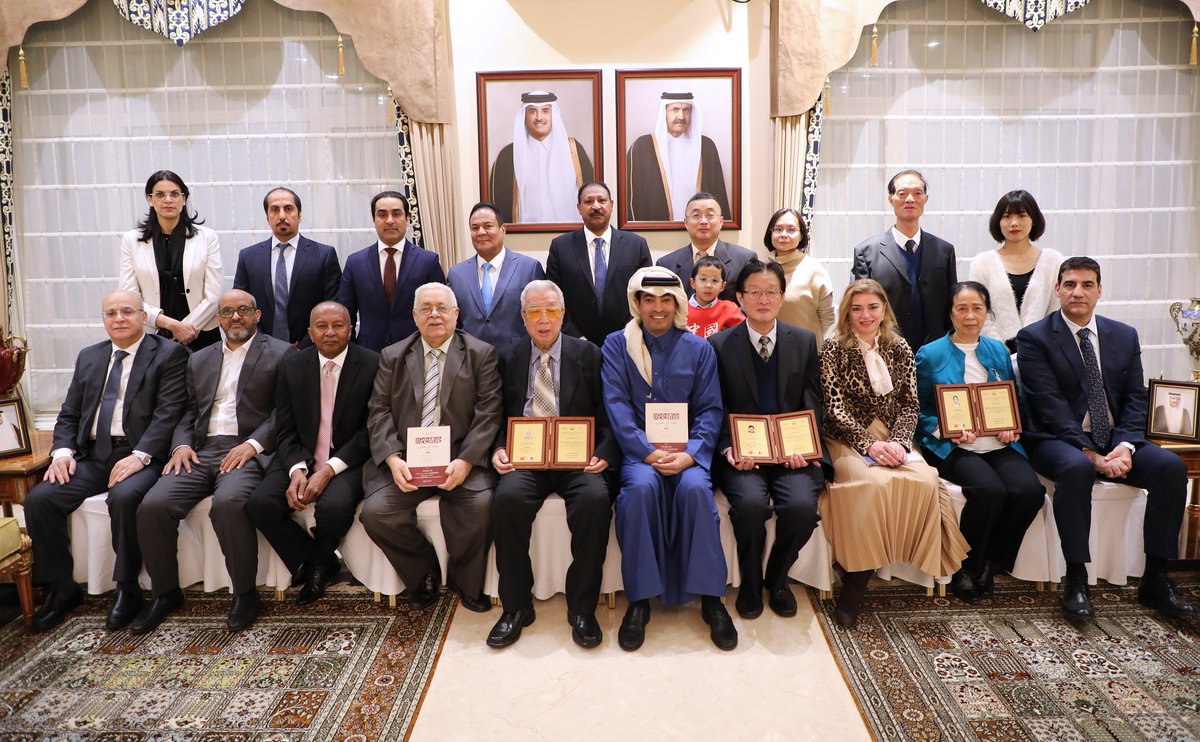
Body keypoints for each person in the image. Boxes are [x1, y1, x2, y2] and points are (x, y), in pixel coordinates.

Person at [1016, 257, 1196, 621]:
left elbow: (1135, 397)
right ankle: (1078, 578)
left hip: (1115, 438)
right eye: (1069, 284)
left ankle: (1155, 578)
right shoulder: (1034, 337)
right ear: (1057, 290)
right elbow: (1049, 405)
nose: (1077, 292)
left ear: (1100, 289)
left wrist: (1125, 446)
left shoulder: (1123, 335)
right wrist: (1090, 453)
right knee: (1078, 468)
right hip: (1057, 439)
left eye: (1086, 284)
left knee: (1171, 469)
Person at [24, 290, 188, 632]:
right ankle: (61, 587)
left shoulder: (169, 354)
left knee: (125, 497)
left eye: (127, 311)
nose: (119, 318)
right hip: (92, 455)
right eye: (110, 313)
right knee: (40, 499)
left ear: (144, 317)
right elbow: (69, 414)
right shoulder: (89, 357)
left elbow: (169, 413)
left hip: (140, 453)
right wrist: (63, 453)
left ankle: (127, 588)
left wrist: (139, 456)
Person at [133, 290, 294, 634]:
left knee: (229, 503)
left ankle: (245, 594)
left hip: (246, 449)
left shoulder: (281, 354)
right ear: (217, 319)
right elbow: (189, 411)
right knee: (153, 505)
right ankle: (164, 593)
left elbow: (285, 412)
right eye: (227, 312)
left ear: (257, 314)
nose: (235, 317)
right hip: (200, 450)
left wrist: (252, 445)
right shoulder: (199, 358)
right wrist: (180, 446)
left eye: (243, 310)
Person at [819, 279, 969, 628]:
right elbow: (835, 409)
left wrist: (900, 444)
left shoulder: (900, 347)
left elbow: (910, 405)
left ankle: (894, 558)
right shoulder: (832, 348)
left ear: (884, 309)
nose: (865, 315)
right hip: (847, 436)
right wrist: (869, 444)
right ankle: (856, 577)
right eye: (857, 308)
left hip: (892, 436)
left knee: (926, 478)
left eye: (872, 307)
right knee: (869, 483)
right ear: (847, 313)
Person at [601, 266, 735, 651]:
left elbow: (711, 411)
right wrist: (646, 451)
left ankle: (711, 600)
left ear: (677, 303)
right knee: (639, 493)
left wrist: (692, 455)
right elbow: (617, 406)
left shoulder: (699, 348)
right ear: (637, 303)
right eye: (648, 300)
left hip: (689, 456)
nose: (657, 308)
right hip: (640, 455)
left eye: (665, 300)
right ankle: (639, 602)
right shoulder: (616, 345)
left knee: (695, 493)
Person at [486, 281, 616, 649]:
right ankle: (516, 607)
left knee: (594, 501)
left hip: (577, 459)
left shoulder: (589, 354)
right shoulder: (508, 356)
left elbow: (608, 413)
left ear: (563, 314)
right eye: (534, 312)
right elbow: (496, 415)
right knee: (507, 501)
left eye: (552, 311)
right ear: (523, 317)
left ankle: (582, 608)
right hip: (525, 458)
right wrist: (498, 448)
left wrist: (604, 452)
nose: (544, 320)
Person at [362, 283, 502, 613]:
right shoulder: (393, 356)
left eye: (442, 307)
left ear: (456, 314)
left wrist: (467, 461)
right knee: (376, 513)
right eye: (426, 308)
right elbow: (378, 410)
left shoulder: (481, 353)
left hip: (459, 457)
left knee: (481, 504)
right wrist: (393, 459)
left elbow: (489, 411)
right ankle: (423, 572)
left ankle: (466, 583)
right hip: (408, 460)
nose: (434, 314)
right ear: (414, 316)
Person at [709, 259, 828, 620]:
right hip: (742, 455)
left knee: (802, 509)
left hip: (792, 453)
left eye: (771, 292)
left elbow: (813, 400)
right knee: (750, 507)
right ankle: (750, 581)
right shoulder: (717, 345)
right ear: (740, 297)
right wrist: (729, 447)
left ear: (782, 296)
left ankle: (777, 579)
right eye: (755, 292)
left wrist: (806, 447)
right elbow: (715, 405)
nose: (764, 299)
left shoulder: (804, 341)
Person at [915, 281, 1045, 603]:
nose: (970, 316)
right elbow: (917, 411)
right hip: (955, 447)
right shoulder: (929, 355)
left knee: (1030, 492)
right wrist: (946, 430)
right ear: (951, 313)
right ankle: (966, 567)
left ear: (986, 312)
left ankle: (992, 561)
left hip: (998, 444)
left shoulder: (998, 349)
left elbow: (1011, 399)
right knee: (990, 491)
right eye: (962, 308)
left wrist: (1011, 427)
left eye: (977, 308)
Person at [244, 302, 380, 605]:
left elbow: (370, 432)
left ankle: (317, 565)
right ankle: (315, 559)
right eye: (321, 326)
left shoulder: (372, 364)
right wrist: (297, 470)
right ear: (310, 332)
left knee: (333, 507)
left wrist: (328, 470)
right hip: (301, 455)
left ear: (350, 330)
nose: (330, 332)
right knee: (259, 504)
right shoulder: (293, 364)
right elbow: (285, 425)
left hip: (348, 459)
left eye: (338, 325)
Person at [851, 170, 957, 352]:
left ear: (926, 198)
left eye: (917, 193)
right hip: (885, 348)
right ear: (891, 199)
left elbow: (951, 304)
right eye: (902, 193)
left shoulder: (944, 251)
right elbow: (860, 306)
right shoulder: (866, 252)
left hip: (936, 351)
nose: (910, 199)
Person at [119, 170, 223, 350]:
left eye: (174, 194)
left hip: (201, 332)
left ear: (184, 199)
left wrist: (187, 328)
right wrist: (171, 326)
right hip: (153, 333)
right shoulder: (131, 240)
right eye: (160, 194)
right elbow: (129, 296)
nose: (168, 200)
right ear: (150, 200)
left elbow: (214, 295)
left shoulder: (207, 237)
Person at [233, 187, 342, 346]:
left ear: (299, 215)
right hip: (262, 348)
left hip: (309, 349)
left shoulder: (324, 255)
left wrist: (306, 343)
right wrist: (264, 342)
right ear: (267, 216)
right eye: (275, 210)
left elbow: (332, 305)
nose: (282, 215)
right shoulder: (248, 256)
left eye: (288, 209)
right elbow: (242, 306)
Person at [546, 181, 652, 345]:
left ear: (611, 205)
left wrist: (626, 333)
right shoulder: (560, 247)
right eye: (588, 201)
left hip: (627, 341)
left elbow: (646, 294)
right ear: (579, 208)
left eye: (602, 200)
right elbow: (553, 299)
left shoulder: (636, 245)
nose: (596, 206)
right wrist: (576, 338)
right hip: (575, 345)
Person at [338, 191, 445, 352]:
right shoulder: (355, 263)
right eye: (382, 215)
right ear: (374, 220)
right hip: (369, 354)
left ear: (408, 218)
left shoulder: (428, 261)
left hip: (417, 352)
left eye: (396, 214)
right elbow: (346, 315)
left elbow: (440, 311)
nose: (389, 220)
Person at [968, 190, 1064, 353]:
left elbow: (1057, 310)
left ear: (1033, 219)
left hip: (1044, 352)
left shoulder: (1054, 261)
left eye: (1021, 215)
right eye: (1006, 216)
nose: (1014, 223)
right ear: (998, 221)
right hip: (995, 354)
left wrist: (1037, 347)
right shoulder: (982, 263)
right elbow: (979, 311)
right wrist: (1000, 350)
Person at [447, 202, 546, 349]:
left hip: (518, 357)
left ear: (503, 230)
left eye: (488, 226)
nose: (480, 232)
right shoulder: (456, 274)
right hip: (470, 360)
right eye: (475, 228)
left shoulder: (529, 268)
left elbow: (540, 317)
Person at [489, 91, 595, 224]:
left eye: (545, 111)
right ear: (524, 115)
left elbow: (592, 195)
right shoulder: (507, 155)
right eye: (532, 111)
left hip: (569, 237)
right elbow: (496, 207)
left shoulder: (573, 150)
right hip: (523, 239)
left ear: (553, 115)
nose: (539, 117)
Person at [626, 92, 730, 222]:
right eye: (674, 110)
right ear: (664, 112)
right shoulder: (642, 147)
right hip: (656, 232)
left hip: (700, 230)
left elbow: (718, 193)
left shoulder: (706, 146)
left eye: (686, 110)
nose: (681, 116)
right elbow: (630, 198)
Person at [656, 192, 755, 304]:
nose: (703, 221)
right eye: (696, 216)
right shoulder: (666, 265)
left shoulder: (744, 260)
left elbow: (751, 303)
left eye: (710, 215)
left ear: (721, 221)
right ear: (686, 223)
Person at [764, 207, 835, 341]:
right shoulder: (761, 269)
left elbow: (827, 319)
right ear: (770, 233)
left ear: (801, 235)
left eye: (791, 229)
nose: (783, 234)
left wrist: (809, 341)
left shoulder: (814, 270)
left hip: (804, 351)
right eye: (778, 229)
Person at [686, 256, 743, 339]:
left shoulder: (729, 309)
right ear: (693, 283)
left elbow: (743, 336)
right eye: (703, 279)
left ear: (722, 286)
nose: (708, 285)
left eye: (715, 281)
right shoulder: (681, 309)